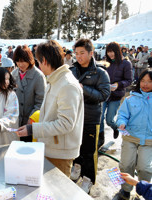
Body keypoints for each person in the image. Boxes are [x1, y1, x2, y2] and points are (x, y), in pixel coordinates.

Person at [16, 40, 84, 178]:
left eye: (39, 62)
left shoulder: (67, 85)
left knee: (58, 192)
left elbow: (65, 124)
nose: (39, 66)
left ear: (45, 61)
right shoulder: (55, 80)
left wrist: (32, 129)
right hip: (51, 147)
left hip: (60, 152)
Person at [70, 38, 110, 192]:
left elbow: (104, 95)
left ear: (91, 53)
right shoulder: (72, 70)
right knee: (75, 146)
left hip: (91, 118)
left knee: (89, 151)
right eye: (76, 53)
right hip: (74, 116)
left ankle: (88, 179)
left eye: (82, 53)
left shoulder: (100, 73)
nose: (78, 56)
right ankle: (77, 168)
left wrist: (83, 88)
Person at [114, 69, 152, 200]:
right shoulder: (130, 99)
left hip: (149, 141)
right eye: (143, 81)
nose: (145, 84)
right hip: (130, 137)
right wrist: (121, 122)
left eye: (149, 81)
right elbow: (122, 114)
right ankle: (125, 190)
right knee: (125, 164)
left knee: (145, 168)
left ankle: (143, 192)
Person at [98, 42, 133, 148]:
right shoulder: (105, 62)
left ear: (117, 51)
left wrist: (118, 84)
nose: (110, 54)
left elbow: (129, 80)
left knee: (109, 119)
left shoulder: (126, 63)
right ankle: (101, 138)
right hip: (104, 94)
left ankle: (114, 127)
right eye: (108, 52)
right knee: (100, 117)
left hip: (116, 95)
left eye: (112, 51)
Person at [12, 45, 46, 142]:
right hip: (16, 122)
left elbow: (41, 101)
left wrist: (31, 119)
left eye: (23, 61)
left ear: (30, 59)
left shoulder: (38, 76)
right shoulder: (13, 74)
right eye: (18, 61)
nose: (20, 64)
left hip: (31, 123)